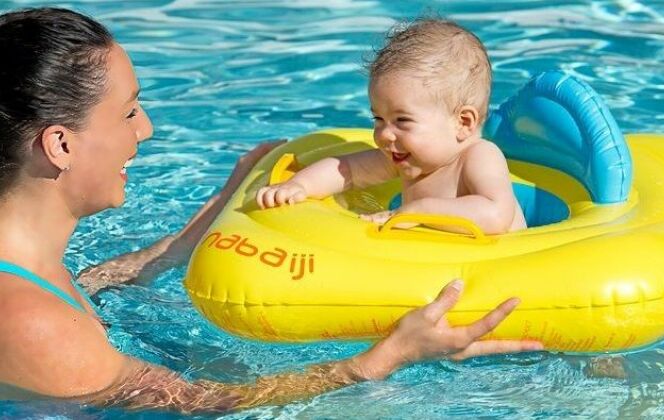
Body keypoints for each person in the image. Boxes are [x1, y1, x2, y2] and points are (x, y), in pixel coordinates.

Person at [0, 8, 542, 414]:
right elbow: (209, 403)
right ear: (60, 146)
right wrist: (384, 357)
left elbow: (91, 284)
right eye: (128, 112)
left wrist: (205, 220)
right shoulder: (30, 323)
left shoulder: (30, 273)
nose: (146, 129)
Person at [257, 19, 527, 234]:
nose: (384, 134)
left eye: (402, 121)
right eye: (378, 119)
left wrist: (418, 211)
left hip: (493, 270)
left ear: (462, 122)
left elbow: (495, 215)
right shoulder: (403, 158)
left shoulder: (479, 157)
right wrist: (299, 186)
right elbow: (346, 170)